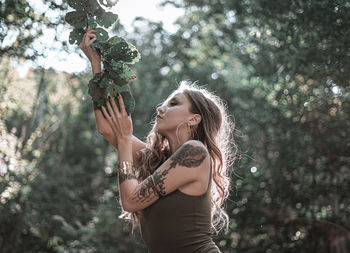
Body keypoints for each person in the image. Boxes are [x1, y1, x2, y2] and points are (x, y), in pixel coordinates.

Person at [80, 27, 238, 253]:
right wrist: (96, 65)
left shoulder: (195, 153)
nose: (160, 109)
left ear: (194, 119)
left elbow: (132, 200)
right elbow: (106, 128)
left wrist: (125, 141)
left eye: (173, 104)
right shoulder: (157, 161)